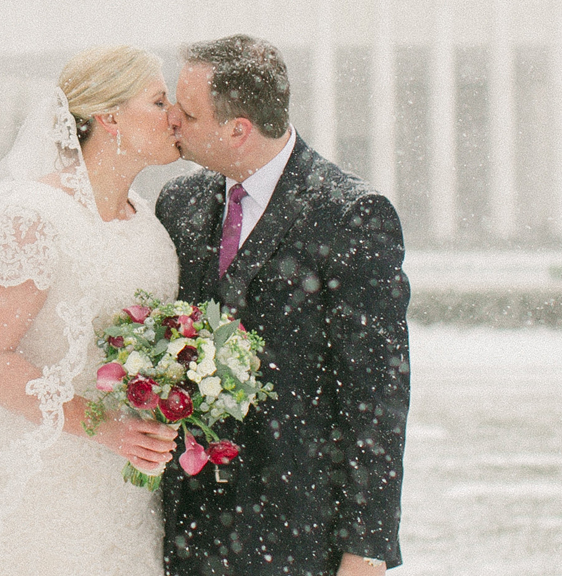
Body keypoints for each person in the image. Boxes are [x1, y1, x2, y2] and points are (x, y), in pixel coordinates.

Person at [0, 46, 181, 575]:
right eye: (158, 100)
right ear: (109, 118)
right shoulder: (31, 217)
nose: (174, 115)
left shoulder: (149, 223)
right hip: (44, 484)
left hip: (127, 494)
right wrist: (103, 428)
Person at [156, 35, 411, 576]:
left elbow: (377, 395)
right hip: (183, 526)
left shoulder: (351, 216)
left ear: (238, 129)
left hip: (296, 528)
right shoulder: (176, 204)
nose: (172, 117)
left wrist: (366, 551)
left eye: (189, 110)